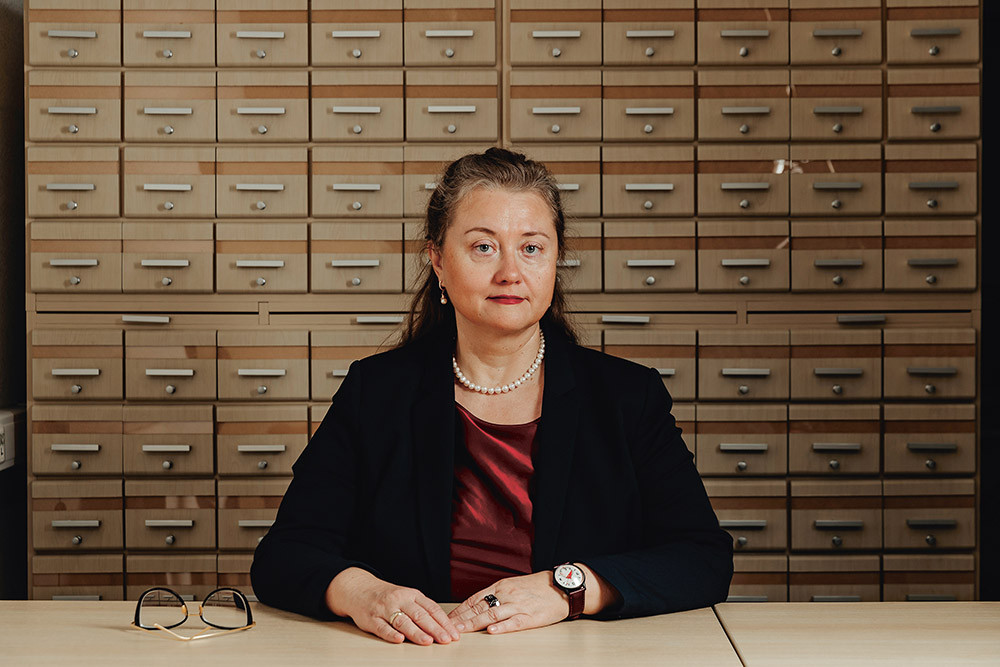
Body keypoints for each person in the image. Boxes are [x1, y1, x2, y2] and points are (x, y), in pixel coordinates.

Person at [250, 148, 733, 645]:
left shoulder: (627, 396)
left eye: (532, 248)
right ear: (438, 261)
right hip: (422, 654)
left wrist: (567, 589)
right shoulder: (375, 392)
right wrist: (363, 593)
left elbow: (703, 557)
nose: (510, 272)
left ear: (555, 260)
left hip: (574, 653)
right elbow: (284, 554)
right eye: (483, 247)